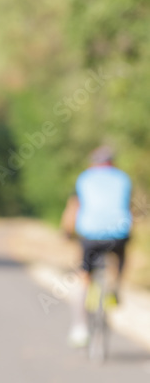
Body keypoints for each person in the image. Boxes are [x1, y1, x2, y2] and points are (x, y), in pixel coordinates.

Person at [62, 145, 132, 347]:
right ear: (112, 162)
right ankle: (116, 285)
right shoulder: (123, 178)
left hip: (90, 235)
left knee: (83, 276)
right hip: (118, 234)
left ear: (93, 163)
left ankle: (79, 328)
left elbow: (73, 209)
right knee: (122, 255)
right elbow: (127, 208)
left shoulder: (84, 178)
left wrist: (67, 233)